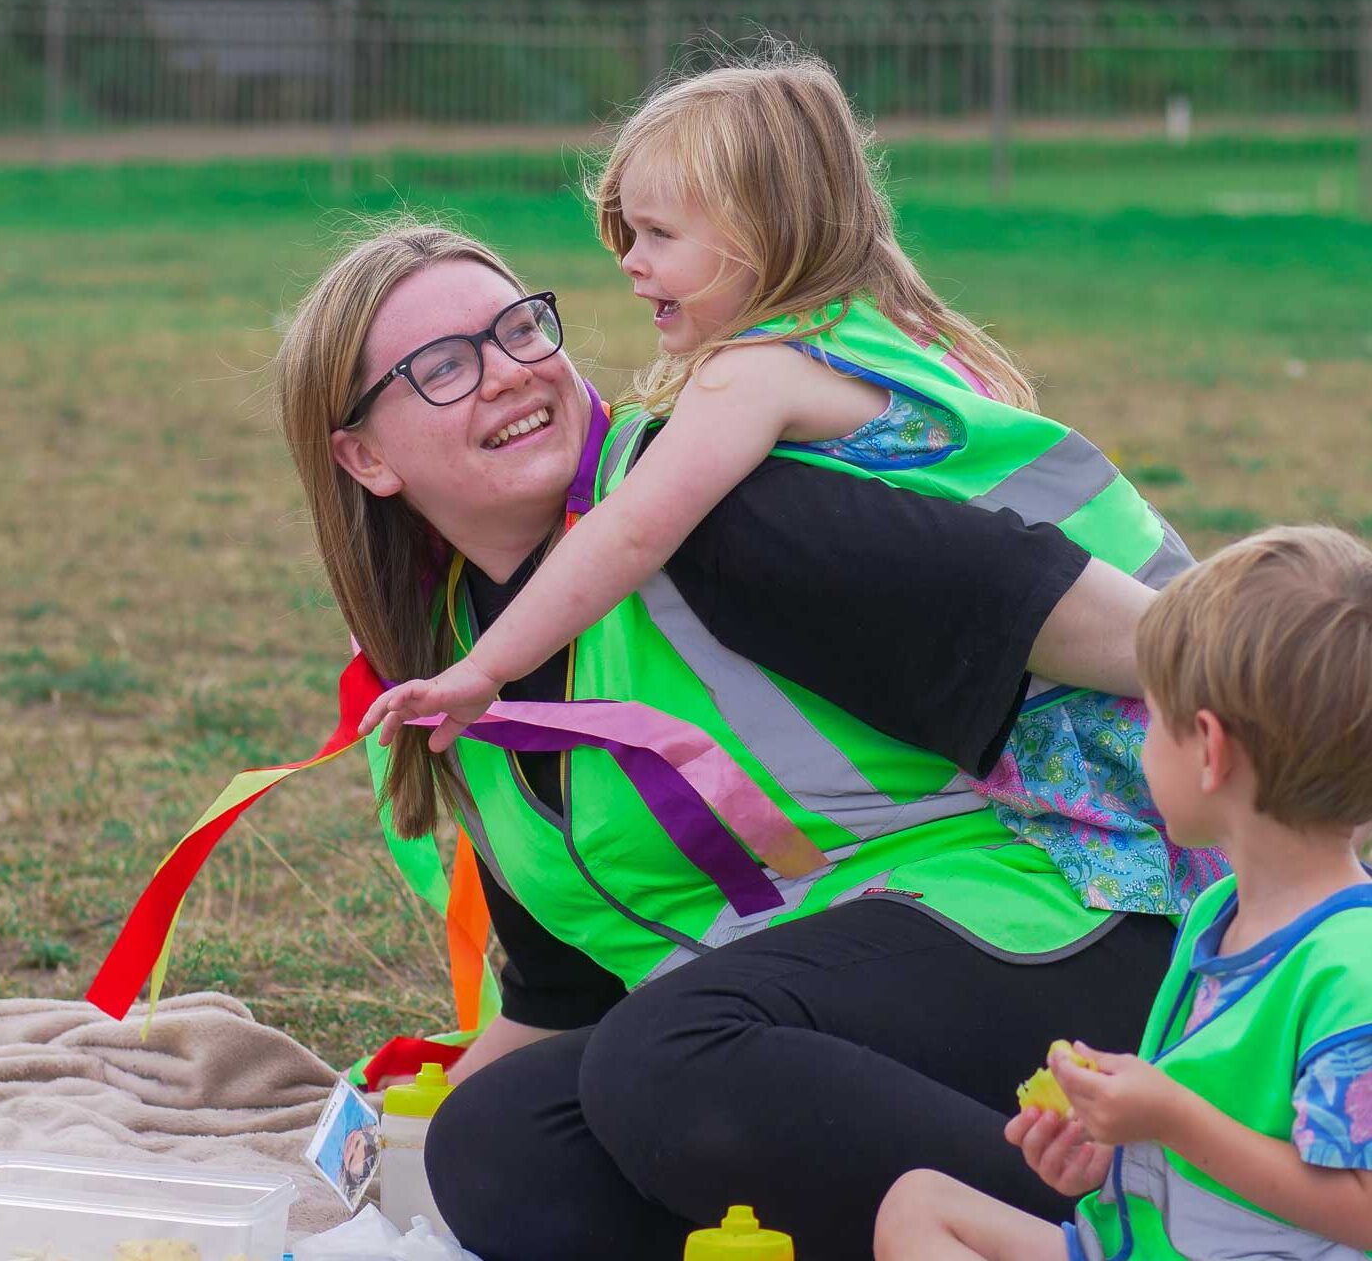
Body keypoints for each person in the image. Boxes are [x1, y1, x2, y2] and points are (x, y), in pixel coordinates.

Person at [278, 219, 1182, 1261]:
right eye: (442, 366)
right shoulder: (450, 664)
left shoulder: (702, 503)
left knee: (663, 1057)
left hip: (1057, 936)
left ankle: (1166, 1232)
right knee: (500, 1144)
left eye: (520, 329)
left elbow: (1043, 603)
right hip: (780, 1030)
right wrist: (376, 1171)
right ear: (364, 457)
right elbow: (558, 998)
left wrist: (1283, 675)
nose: (507, 374)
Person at [360, 53, 1221, 919]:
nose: (629, 261)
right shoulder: (887, 332)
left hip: (1113, 686)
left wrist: (485, 670)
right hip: (1158, 657)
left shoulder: (748, 377)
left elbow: (629, 532)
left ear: (759, 235)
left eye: (658, 235)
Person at [874, 526, 1372, 1261]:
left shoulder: (1350, 969)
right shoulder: (1216, 914)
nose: (1140, 744)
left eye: (1150, 717)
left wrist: (1169, 1120)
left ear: (1209, 750)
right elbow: (1223, 1143)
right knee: (920, 1207)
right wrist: (1117, 1156)